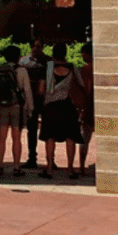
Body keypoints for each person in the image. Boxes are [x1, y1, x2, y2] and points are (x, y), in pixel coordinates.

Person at [38, 42, 85, 179]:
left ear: (53, 54)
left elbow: (42, 90)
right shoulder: (72, 68)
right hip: (67, 106)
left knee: (50, 137)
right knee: (70, 137)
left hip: (50, 106)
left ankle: (50, 169)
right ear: (65, 53)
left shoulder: (48, 68)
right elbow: (81, 85)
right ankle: (71, 169)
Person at [0, 45, 34, 176]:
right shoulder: (22, 71)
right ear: (18, 57)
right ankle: (16, 167)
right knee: (16, 138)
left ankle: (0, 166)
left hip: (1, 107)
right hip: (17, 107)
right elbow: (27, 91)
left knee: (1, 138)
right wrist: (30, 109)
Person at [19, 37, 48, 168]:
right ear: (31, 47)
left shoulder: (49, 61)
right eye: (34, 46)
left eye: (39, 46)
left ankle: (50, 159)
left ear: (43, 47)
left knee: (48, 130)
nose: (37, 49)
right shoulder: (23, 61)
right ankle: (32, 157)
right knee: (31, 130)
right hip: (31, 100)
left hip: (45, 100)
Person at [77, 43, 94, 177]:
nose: (83, 55)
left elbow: (83, 89)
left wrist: (80, 108)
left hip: (88, 108)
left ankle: (82, 167)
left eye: (84, 53)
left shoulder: (85, 69)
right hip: (98, 108)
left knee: (85, 139)